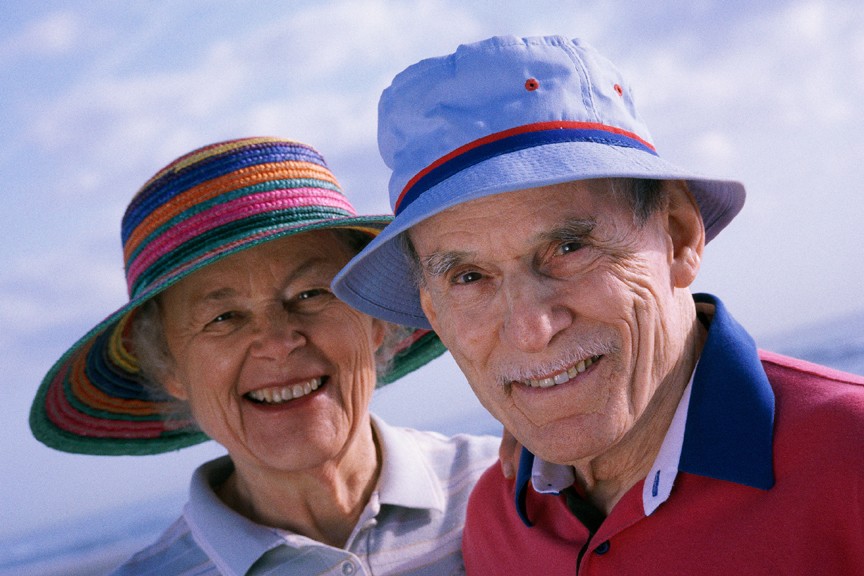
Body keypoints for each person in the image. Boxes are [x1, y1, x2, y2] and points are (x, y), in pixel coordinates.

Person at [331, 35, 864, 574]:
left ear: (679, 236)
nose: (532, 329)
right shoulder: (496, 521)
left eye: (569, 248)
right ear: (435, 313)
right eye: (470, 278)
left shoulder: (852, 460)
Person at [30, 137, 498, 575]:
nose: (277, 342)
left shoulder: (515, 486)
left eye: (310, 293)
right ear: (170, 369)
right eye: (224, 318)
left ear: (375, 317)